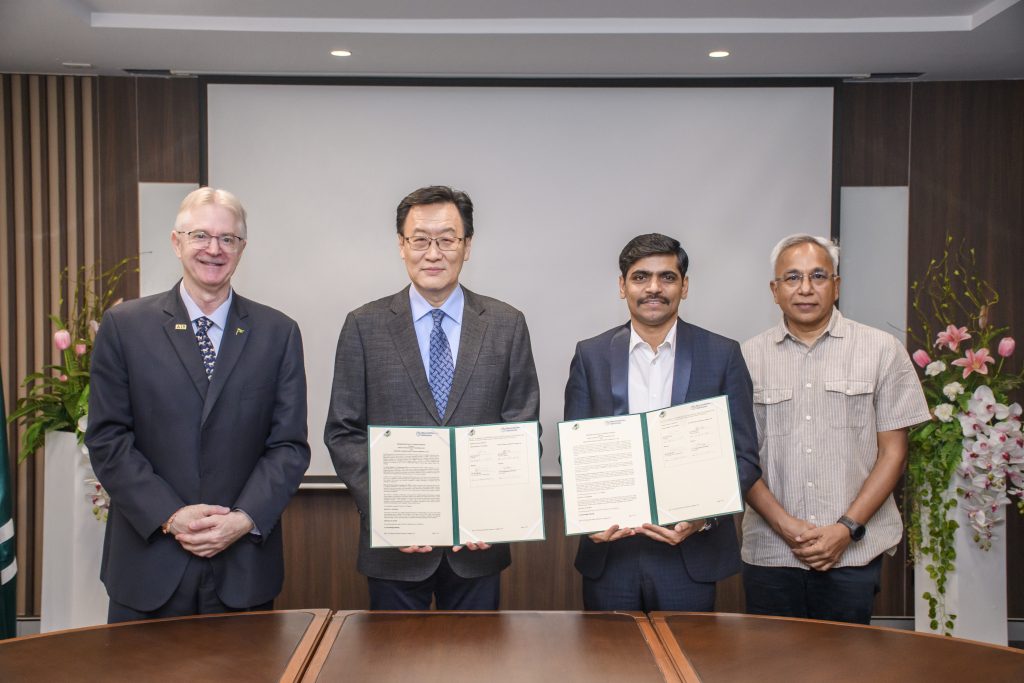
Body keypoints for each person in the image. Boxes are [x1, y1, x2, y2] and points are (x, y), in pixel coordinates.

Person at [86, 187, 310, 622]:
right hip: (148, 564)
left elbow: (288, 446)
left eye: (228, 238)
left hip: (242, 565)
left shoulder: (278, 332)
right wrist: (170, 515)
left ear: (242, 248)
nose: (214, 249)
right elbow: (108, 439)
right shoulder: (125, 327)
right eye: (200, 235)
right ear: (176, 242)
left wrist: (242, 519)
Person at [325, 185, 540, 610]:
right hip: (395, 549)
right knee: (394, 654)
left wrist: (494, 511)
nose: (433, 253)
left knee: (479, 653)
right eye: (420, 240)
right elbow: (343, 432)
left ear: (467, 246)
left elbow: (521, 428)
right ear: (401, 246)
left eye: (447, 239)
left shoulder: (506, 324)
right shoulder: (364, 326)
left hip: (478, 547)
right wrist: (390, 513)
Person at [564, 233, 760, 611]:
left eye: (667, 277)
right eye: (640, 277)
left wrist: (702, 517)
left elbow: (745, 458)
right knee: (610, 651)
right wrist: (590, 515)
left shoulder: (722, 354)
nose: (654, 288)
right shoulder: (590, 355)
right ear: (622, 286)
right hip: (612, 554)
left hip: (690, 555)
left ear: (684, 286)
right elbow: (575, 454)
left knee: (686, 652)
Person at [740, 234, 930, 624]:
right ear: (775, 290)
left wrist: (846, 528)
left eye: (818, 276)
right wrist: (785, 526)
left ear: (837, 285)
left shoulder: (882, 350)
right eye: (792, 278)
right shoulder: (745, 358)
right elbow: (739, 457)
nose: (805, 288)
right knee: (770, 658)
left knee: (848, 658)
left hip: (853, 551)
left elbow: (893, 453)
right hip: (772, 553)